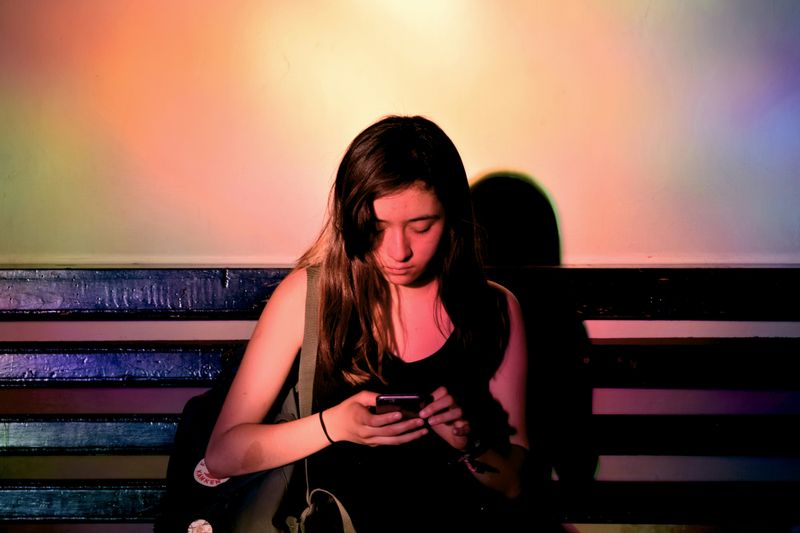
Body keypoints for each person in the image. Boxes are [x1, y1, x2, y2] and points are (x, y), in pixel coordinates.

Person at [205, 115, 529, 532]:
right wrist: (333, 425)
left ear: (452, 219)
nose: (399, 251)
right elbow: (224, 454)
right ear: (352, 218)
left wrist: (469, 445)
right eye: (376, 228)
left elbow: (516, 483)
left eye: (422, 226)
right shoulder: (311, 297)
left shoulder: (495, 310)